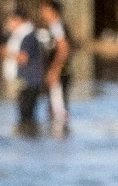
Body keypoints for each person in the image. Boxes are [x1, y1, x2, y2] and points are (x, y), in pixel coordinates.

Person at [2, 10, 44, 134]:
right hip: (24, 81)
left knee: (26, 115)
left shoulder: (28, 36)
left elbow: (23, 58)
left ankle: (29, 138)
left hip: (28, 81)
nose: (9, 24)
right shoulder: (19, 35)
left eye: (11, 21)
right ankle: (28, 137)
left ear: (19, 20)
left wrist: (6, 53)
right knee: (24, 114)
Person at [39, 0, 71, 131]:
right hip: (59, 72)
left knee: (58, 110)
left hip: (60, 73)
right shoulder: (53, 26)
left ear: (52, 11)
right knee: (54, 107)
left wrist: (54, 70)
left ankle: (60, 136)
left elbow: (64, 49)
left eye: (44, 9)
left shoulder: (57, 26)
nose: (42, 12)